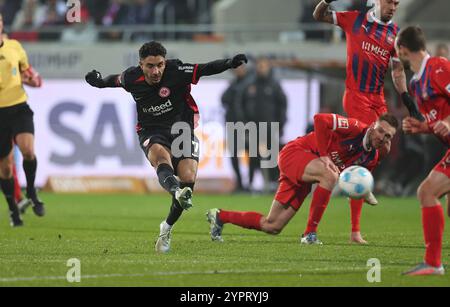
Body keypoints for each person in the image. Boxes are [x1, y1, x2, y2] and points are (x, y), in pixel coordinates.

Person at [85, 41, 247, 253]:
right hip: (151, 130)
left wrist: (229, 63)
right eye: (150, 66)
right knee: (161, 158)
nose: (156, 71)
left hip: (182, 130)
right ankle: (175, 190)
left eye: (160, 64)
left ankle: (167, 226)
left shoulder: (176, 70)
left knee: (188, 180)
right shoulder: (131, 77)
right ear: (141, 64)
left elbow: (205, 68)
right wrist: (98, 82)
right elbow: (112, 80)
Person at [312, 0, 423, 244]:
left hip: (378, 98)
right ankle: (355, 229)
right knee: (369, 148)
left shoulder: (394, 33)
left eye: (397, 3)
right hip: (356, 95)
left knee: (384, 147)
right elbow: (318, 15)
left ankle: (355, 174)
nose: (393, 6)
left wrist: (407, 99)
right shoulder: (354, 19)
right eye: (389, 2)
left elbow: (396, 71)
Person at [206, 113, 398, 244]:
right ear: (373, 126)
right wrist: (324, 155)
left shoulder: (370, 157)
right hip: (297, 153)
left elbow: (355, 180)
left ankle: (220, 216)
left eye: (387, 136)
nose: (382, 137)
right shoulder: (356, 128)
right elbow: (320, 119)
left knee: (272, 225)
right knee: (329, 175)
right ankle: (310, 234)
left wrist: (364, 191)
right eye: (381, 130)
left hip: (309, 170)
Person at [397, 26, 449, 275]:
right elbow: (438, 122)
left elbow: (446, 120)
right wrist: (422, 128)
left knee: (427, 192)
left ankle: (433, 263)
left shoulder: (439, 67)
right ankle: (434, 263)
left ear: (403, 50)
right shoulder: (417, 85)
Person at [0, 13, 44, 227]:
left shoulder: (14, 46)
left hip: (19, 107)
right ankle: (12, 209)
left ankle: (32, 190)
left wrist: (34, 79)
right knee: (6, 169)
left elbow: (29, 72)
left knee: (28, 151)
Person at [240, 57, 287, 193]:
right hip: (252, 127)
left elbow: (282, 106)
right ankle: (251, 184)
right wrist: (244, 123)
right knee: (253, 157)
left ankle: (273, 183)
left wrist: (281, 124)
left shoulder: (274, 86)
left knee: (272, 157)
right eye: (259, 66)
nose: (261, 68)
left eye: (264, 66)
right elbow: (241, 104)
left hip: (270, 127)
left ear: (268, 67)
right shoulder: (249, 85)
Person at [221, 65, 251, 192]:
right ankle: (240, 183)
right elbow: (223, 99)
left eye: (241, 68)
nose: (238, 71)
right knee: (234, 154)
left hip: (248, 125)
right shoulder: (234, 85)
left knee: (252, 154)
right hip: (233, 124)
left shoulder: (251, 83)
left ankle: (250, 183)